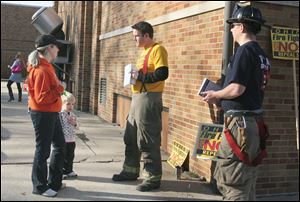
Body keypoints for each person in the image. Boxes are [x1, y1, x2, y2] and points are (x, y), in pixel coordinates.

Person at [202, 5, 271, 200]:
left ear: (241, 27)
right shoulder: (261, 55)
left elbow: (237, 89)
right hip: (253, 125)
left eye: (233, 26)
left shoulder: (244, 51)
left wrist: (217, 95)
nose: (230, 30)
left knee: (233, 181)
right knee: (246, 182)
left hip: (240, 126)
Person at [112, 21, 169, 192]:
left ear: (146, 35)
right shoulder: (142, 52)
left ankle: (152, 178)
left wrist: (140, 76)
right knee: (131, 136)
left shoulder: (158, 49)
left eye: (136, 36)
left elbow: (162, 73)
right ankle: (130, 171)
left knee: (147, 138)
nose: (134, 39)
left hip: (149, 99)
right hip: (137, 98)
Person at [27, 34, 66, 197]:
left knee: (60, 145)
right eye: (56, 47)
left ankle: (54, 182)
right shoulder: (42, 69)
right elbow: (42, 98)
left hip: (50, 112)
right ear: (49, 48)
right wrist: (60, 88)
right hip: (43, 113)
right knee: (43, 150)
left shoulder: (46, 66)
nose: (58, 50)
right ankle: (39, 186)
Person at [59, 91, 79, 179]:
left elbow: (77, 127)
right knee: (62, 156)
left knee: (70, 156)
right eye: (68, 104)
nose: (70, 106)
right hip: (63, 139)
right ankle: (62, 171)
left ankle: (69, 170)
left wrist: (75, 123)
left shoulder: (73, 115)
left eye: (72, 104)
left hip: (72, 139)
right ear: (62, 104)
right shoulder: (60, 115)